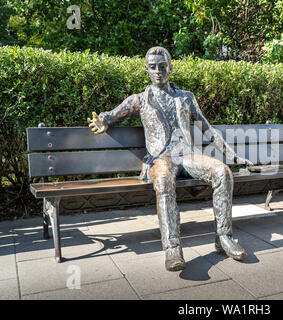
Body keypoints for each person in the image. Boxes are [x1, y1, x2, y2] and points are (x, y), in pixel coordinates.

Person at [87, 46, 253, 271]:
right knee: (164, 181)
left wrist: (233, 156)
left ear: (170, 68)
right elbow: (113, 115)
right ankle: (172, 249)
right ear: (147, 69)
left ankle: (224, 237)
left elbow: (207, 128)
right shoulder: (139, 100)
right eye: (153, 67)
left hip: (187, 155)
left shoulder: (186, 97)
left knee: (223, 172)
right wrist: (103, 121)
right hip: (160, 158)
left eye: (162, 67)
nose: (158, 71)